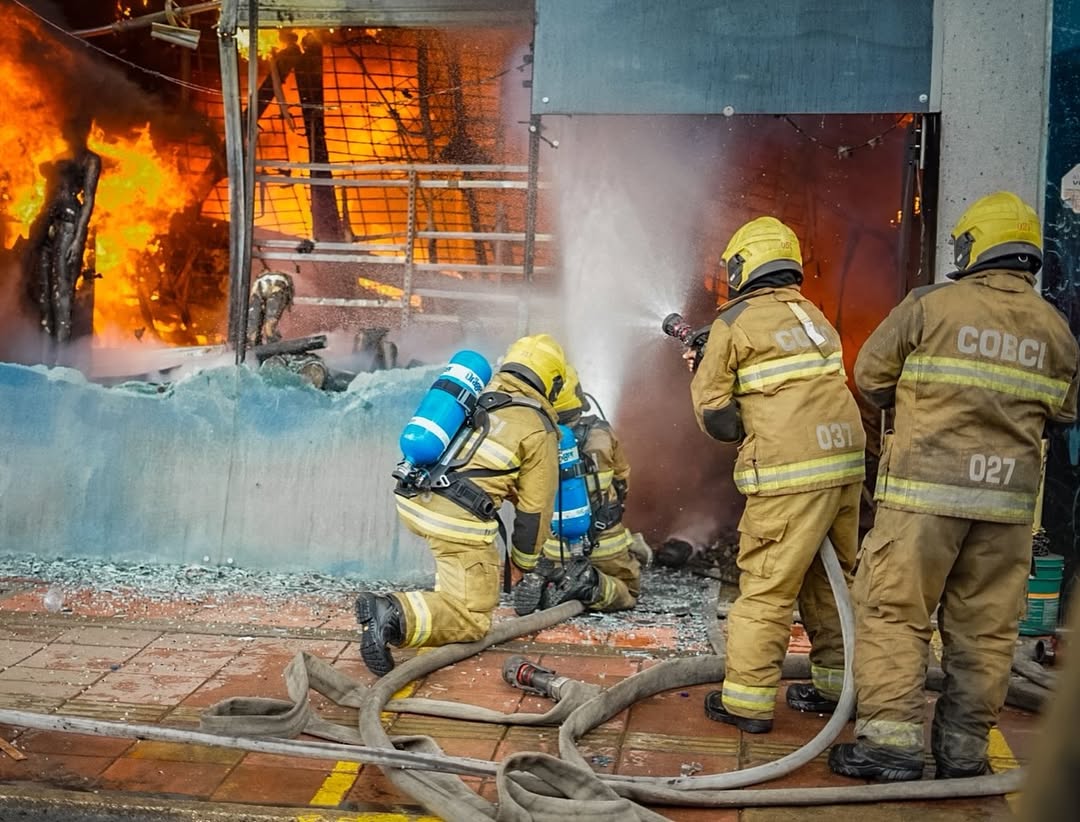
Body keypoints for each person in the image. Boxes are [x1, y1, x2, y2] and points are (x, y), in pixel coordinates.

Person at [829, 191, 1080, 781]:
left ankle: (890, 744)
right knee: (987, 630)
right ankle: (964, 752)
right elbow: (1065, 411)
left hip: (923, 500)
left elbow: (869, 375)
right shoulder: (1056, 329)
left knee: (894, 614)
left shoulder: (928, 305)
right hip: (1009, 509)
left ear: (973, 246)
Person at [689, 216, 866, 734]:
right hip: (844, 463)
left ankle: (746, 702)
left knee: (766, 585)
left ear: (743, 266)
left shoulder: (732, 322)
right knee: (827, 580)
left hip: (790, 472)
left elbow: (717, 419)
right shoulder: (813, 315)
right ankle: (838, 688)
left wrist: (707, 369)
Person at [354, 333, 567, 676]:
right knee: (472, 616)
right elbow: (535, 511)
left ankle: (432, 601)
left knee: (457, 567)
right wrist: (524, 563)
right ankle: (392, 614)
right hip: (455, 518)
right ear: (552, 383)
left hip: (414, 494)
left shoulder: (480, 394)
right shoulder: (537, 427)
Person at [513, 364, 643, 614]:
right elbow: (622, 477)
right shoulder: (602, 432)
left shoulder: (536, 437)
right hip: (604, 541)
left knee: (553, 561)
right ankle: (589, 584)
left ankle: (546, 575)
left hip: (553, 543)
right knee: (629, 591)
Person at [30, 116, 101, 348]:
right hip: (46, 224)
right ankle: (45, 354)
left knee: (63, 291)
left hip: (69, 226)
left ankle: (61, 355)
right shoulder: (58, 159)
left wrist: (79, 238)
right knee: (44, 293)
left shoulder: (90, 160)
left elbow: (89, 200)